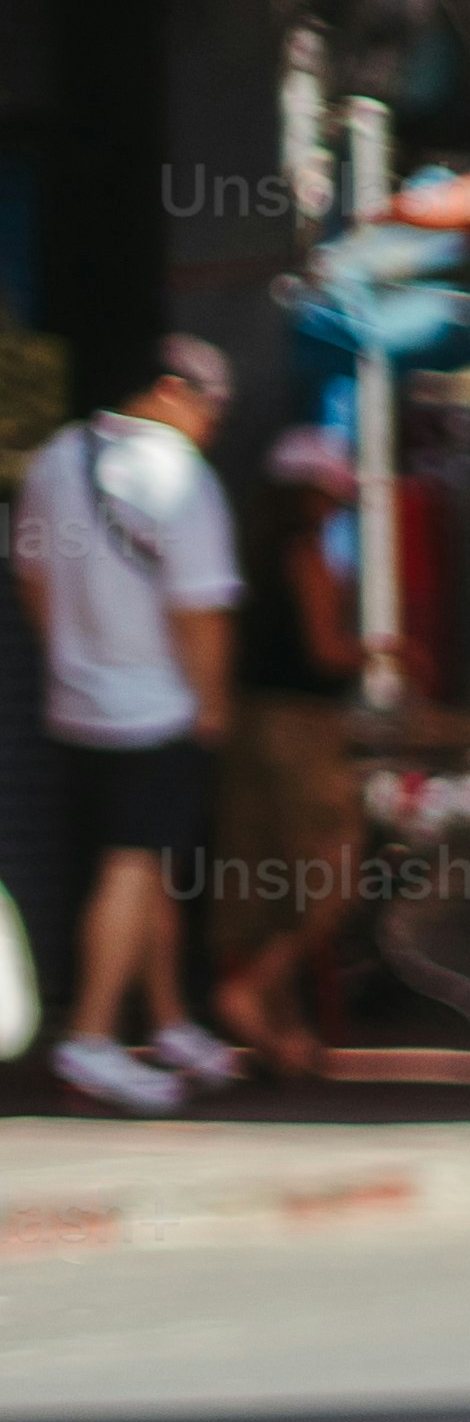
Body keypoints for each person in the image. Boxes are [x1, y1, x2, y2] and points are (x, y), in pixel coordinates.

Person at [16, 339, 246, 1112]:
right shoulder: (179, 475)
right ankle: (90, 1037)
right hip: (156, 707)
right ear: (173, 390)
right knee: (133, 863)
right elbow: (201, 611)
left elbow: (33, 576)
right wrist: (212, 702)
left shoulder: (56, 458)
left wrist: (71, 662)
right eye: (213, 403)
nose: (217, 421)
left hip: (76, 704)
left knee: (147, 864)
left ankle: (172, 1020)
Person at [208, 419, 371, 1071]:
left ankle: (281, 1032)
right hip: (301, 730)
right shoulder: (305, 556)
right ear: (309, 496)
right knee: (332, 873)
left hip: (243, 725)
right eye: (331, 496)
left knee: (260, 878)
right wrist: (382, 648)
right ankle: (249, 990)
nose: (335, 509)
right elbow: (327, 653)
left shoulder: (238, 553)